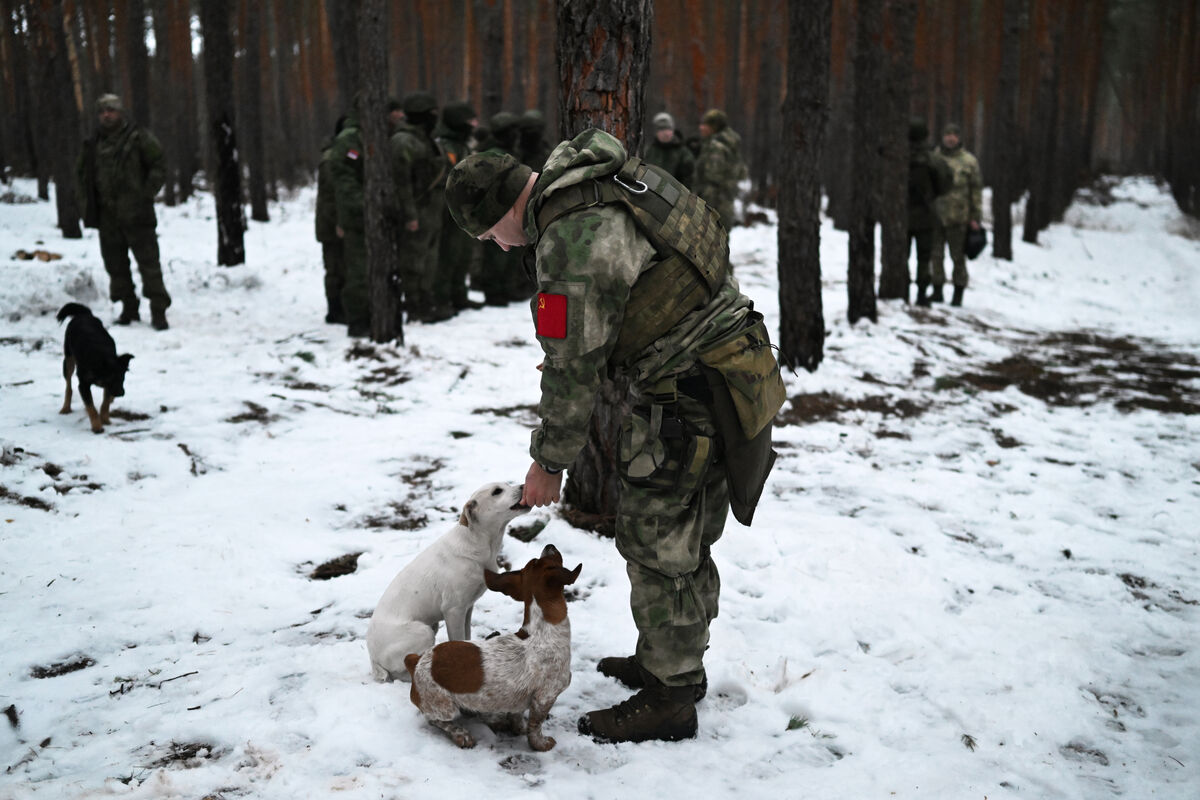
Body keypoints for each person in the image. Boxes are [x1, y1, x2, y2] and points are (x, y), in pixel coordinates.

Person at [445, 128, 785, 744]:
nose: (497, 247)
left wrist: (548, 463)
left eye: (490, 233)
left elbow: (572, 366)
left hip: (692, 395)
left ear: (502, 209)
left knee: (660, 544)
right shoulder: (611, 181)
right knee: (686, 537)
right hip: (735, 369)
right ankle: (670, 662)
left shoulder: (571, 238)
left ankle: (672, 696)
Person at [76, 93, 171, 330]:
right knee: (116, 266)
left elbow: (158, 164)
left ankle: (158, 310)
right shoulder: (93, 144)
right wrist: (87, 204)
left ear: (120, 113)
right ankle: (128, 307)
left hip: (138, 215)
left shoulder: (138, 138)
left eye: (111, 110)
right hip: (108, 216)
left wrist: (146, 193)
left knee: (149, 264)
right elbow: (82, 176)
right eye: (103, 111)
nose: (107, 115)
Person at [390, 91, 451, 323]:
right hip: (416, 210)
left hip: (431, 211)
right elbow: (401, 183)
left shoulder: (427, 139)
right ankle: (414, 304)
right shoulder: (403, 141)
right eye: (432, 114)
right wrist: (409, 214)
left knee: (429, 259)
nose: (435, 118)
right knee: (413, 261)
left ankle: (425, 300)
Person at [476, 111, 531, 305]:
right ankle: (494, 291)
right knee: (496, 256)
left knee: (508, 255)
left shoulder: (509, 149)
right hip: (498, 212)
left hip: (509, 209)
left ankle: (507, 288)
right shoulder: (491, 153)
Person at [434, 101, 483, 312]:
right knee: (446, 255)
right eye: (470, 120)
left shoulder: (464, 145)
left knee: (462, 254)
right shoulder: (442, 145)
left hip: (464, 208)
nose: (475, 124)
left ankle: (459, 295)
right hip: (445, 209)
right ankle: (442, 299)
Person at [931, 122, 983, 306]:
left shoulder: (969, 162)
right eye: (947, 134)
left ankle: (958, 291)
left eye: (954, 134)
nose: (950, 138)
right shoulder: (934, 158)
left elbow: (976, 191)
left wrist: (976, 217)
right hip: (936, 215)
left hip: (959, 217)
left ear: (959, 138)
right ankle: (937, 289)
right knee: (935, 255)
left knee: (957, 256)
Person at [328, 110, 368, 336]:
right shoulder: (350, 140)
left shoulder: (368, 136)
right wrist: (364, 207)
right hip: (356, 217)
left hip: (366, 216)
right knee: (358, 271)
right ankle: (358, 320)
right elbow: (344, 185)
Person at [907, 118, 952, 306]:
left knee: (902, 256)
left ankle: (900, 291)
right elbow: (946, 184)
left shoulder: (898, 155)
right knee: (924, 258)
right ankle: (922, 294)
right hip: (925, 215)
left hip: (901, 216)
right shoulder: (934, 159)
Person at [693, 108, 747, 237]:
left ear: (713, 127)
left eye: (705, 125)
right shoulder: (729, 144)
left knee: (711, 239)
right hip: (725, 200)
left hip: (714, 202)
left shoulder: (716, 147)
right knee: (721, 240)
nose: (701, 128)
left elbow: (713, 177)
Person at [316, 116, 347, 324]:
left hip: (339, 222)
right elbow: (330, 198)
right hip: (331, 225)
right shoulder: (331, 158)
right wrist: (339, 222)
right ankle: (335, 311)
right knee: (335, 269)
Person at [642, 111, 694, 189]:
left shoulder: (684, 153)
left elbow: (690, 180)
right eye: (662, 129)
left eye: (668, 129)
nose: (666, 133)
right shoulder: (648, 151)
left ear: (673, 131)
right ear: (656, 132)